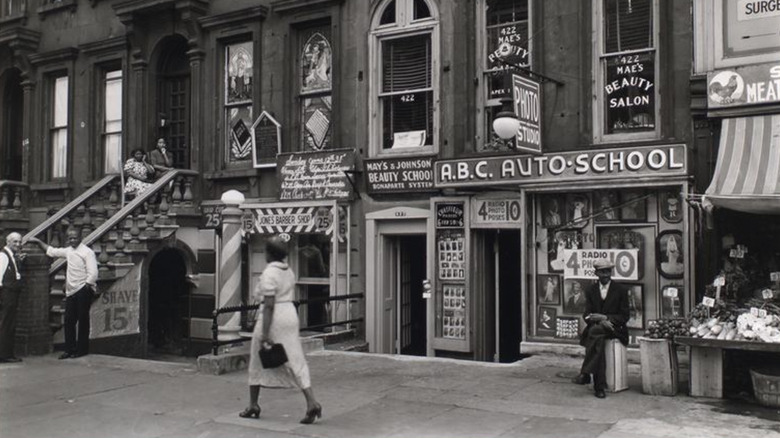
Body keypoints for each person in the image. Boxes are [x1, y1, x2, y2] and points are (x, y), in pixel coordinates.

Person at [240, 235, 322, 424]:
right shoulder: (288, 271)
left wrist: (265, 333)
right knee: (295, 358)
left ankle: (253, 404)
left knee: (257, 357)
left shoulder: (269, 273)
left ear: (269, 253)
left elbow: (268, 305)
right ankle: (311, 400)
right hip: (289, 314)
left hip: (274, 316)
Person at [28, 229, 98, 359]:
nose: (72, 240)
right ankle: (69, 349)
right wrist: (38, 241)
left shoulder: (88, 253)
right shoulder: (69, 251)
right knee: (68, 320)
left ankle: (82, 350)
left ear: (80, 237)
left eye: (75, 238)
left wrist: (86, 286)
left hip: (83, 289)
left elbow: (93, 273)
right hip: (71, 291)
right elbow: (52, 251)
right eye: (70, 238)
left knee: (83, 320)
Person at [572, 259, 629, 398]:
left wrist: (605, 319)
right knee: (598, 340)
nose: (606, 275)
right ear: (596, 273)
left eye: (608, 271)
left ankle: (585, 373)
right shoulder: (591, 290)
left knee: (594, 333)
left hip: (616, 329)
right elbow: (587, 314)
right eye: (602, 272)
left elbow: (625, 316)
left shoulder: (620, 290)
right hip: (598, 329)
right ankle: (599, 387)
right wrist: (597, 319)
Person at [0, 232, 25, 362]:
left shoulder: (12, 255)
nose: (18, 244)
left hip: (12, 294)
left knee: (9, 323)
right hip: (7, 294)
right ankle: (4, 355)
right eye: (15, 242)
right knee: (6, 324)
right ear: (8, 242)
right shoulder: (3, 256)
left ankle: (7, 353)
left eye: (20, 242)